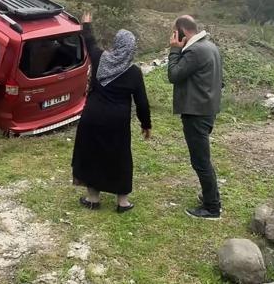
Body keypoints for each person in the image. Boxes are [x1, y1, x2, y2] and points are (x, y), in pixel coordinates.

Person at [71, 12, 151, 213]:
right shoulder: (133, 72)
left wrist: (87, 24)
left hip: (93, 116)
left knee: (92, 153)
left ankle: (93, 198)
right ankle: (122, 202)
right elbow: (141, 102)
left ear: (116, 44)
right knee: (120, 156)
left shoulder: (100, 59)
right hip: (117, 121)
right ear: (131, 49)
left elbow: (90, 43)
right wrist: (146, 124)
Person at [168, 15, 223, 219]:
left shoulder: (195, 50)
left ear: (182, 31)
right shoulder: (209, 46)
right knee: (203, 159)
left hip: (197, 112)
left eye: (175, 31)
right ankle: (211, 196)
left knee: (201, 161)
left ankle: (212, 207)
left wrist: (174, 50)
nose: (173, 35)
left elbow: (174, 75)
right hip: (207, 108)